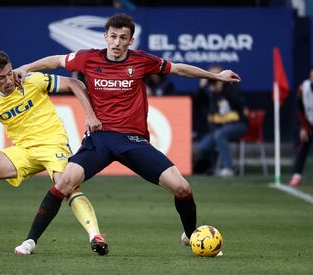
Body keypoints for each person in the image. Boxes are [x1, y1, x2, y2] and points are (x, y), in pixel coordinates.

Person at [13, 13, 240, 255]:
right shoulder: (88, 58)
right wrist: (27, 67)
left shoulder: (142, 60)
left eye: (123, 37)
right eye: (113, 36)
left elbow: (179, 70)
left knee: (182, 188)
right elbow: (56, 60)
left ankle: (192, 236)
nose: (117, 42)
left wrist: (216, 76)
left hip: (134, 141)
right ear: (105, 37)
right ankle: (30, 241)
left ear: (131, 41)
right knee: (64, 183)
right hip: (100, 138)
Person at [0, 51, 108, 255]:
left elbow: (76, 84)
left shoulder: (32, 80)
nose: (8, 80)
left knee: (67, 186)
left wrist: (90, 115)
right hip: (24, 150)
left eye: (9, 73)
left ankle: (95, 235)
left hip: (52, 144)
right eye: (1, 77)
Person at [193, 65, 248, 177]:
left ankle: (228, 167)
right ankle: (212, 167)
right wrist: (201, 88)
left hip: (238, 125)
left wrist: (223, 89)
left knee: (219, 135)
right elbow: (197, 103)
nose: (213, 79)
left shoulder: (231, 86)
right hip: (218, 128)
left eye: (216, 75)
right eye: (211, 76)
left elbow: (239, 102)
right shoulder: (210, 91)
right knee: (202, 147)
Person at [289, 68, 313, 186]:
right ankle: (296, 175)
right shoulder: (303, 89)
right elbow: (300, 110)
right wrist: (304, 127)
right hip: (309, 122)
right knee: (303, 147)